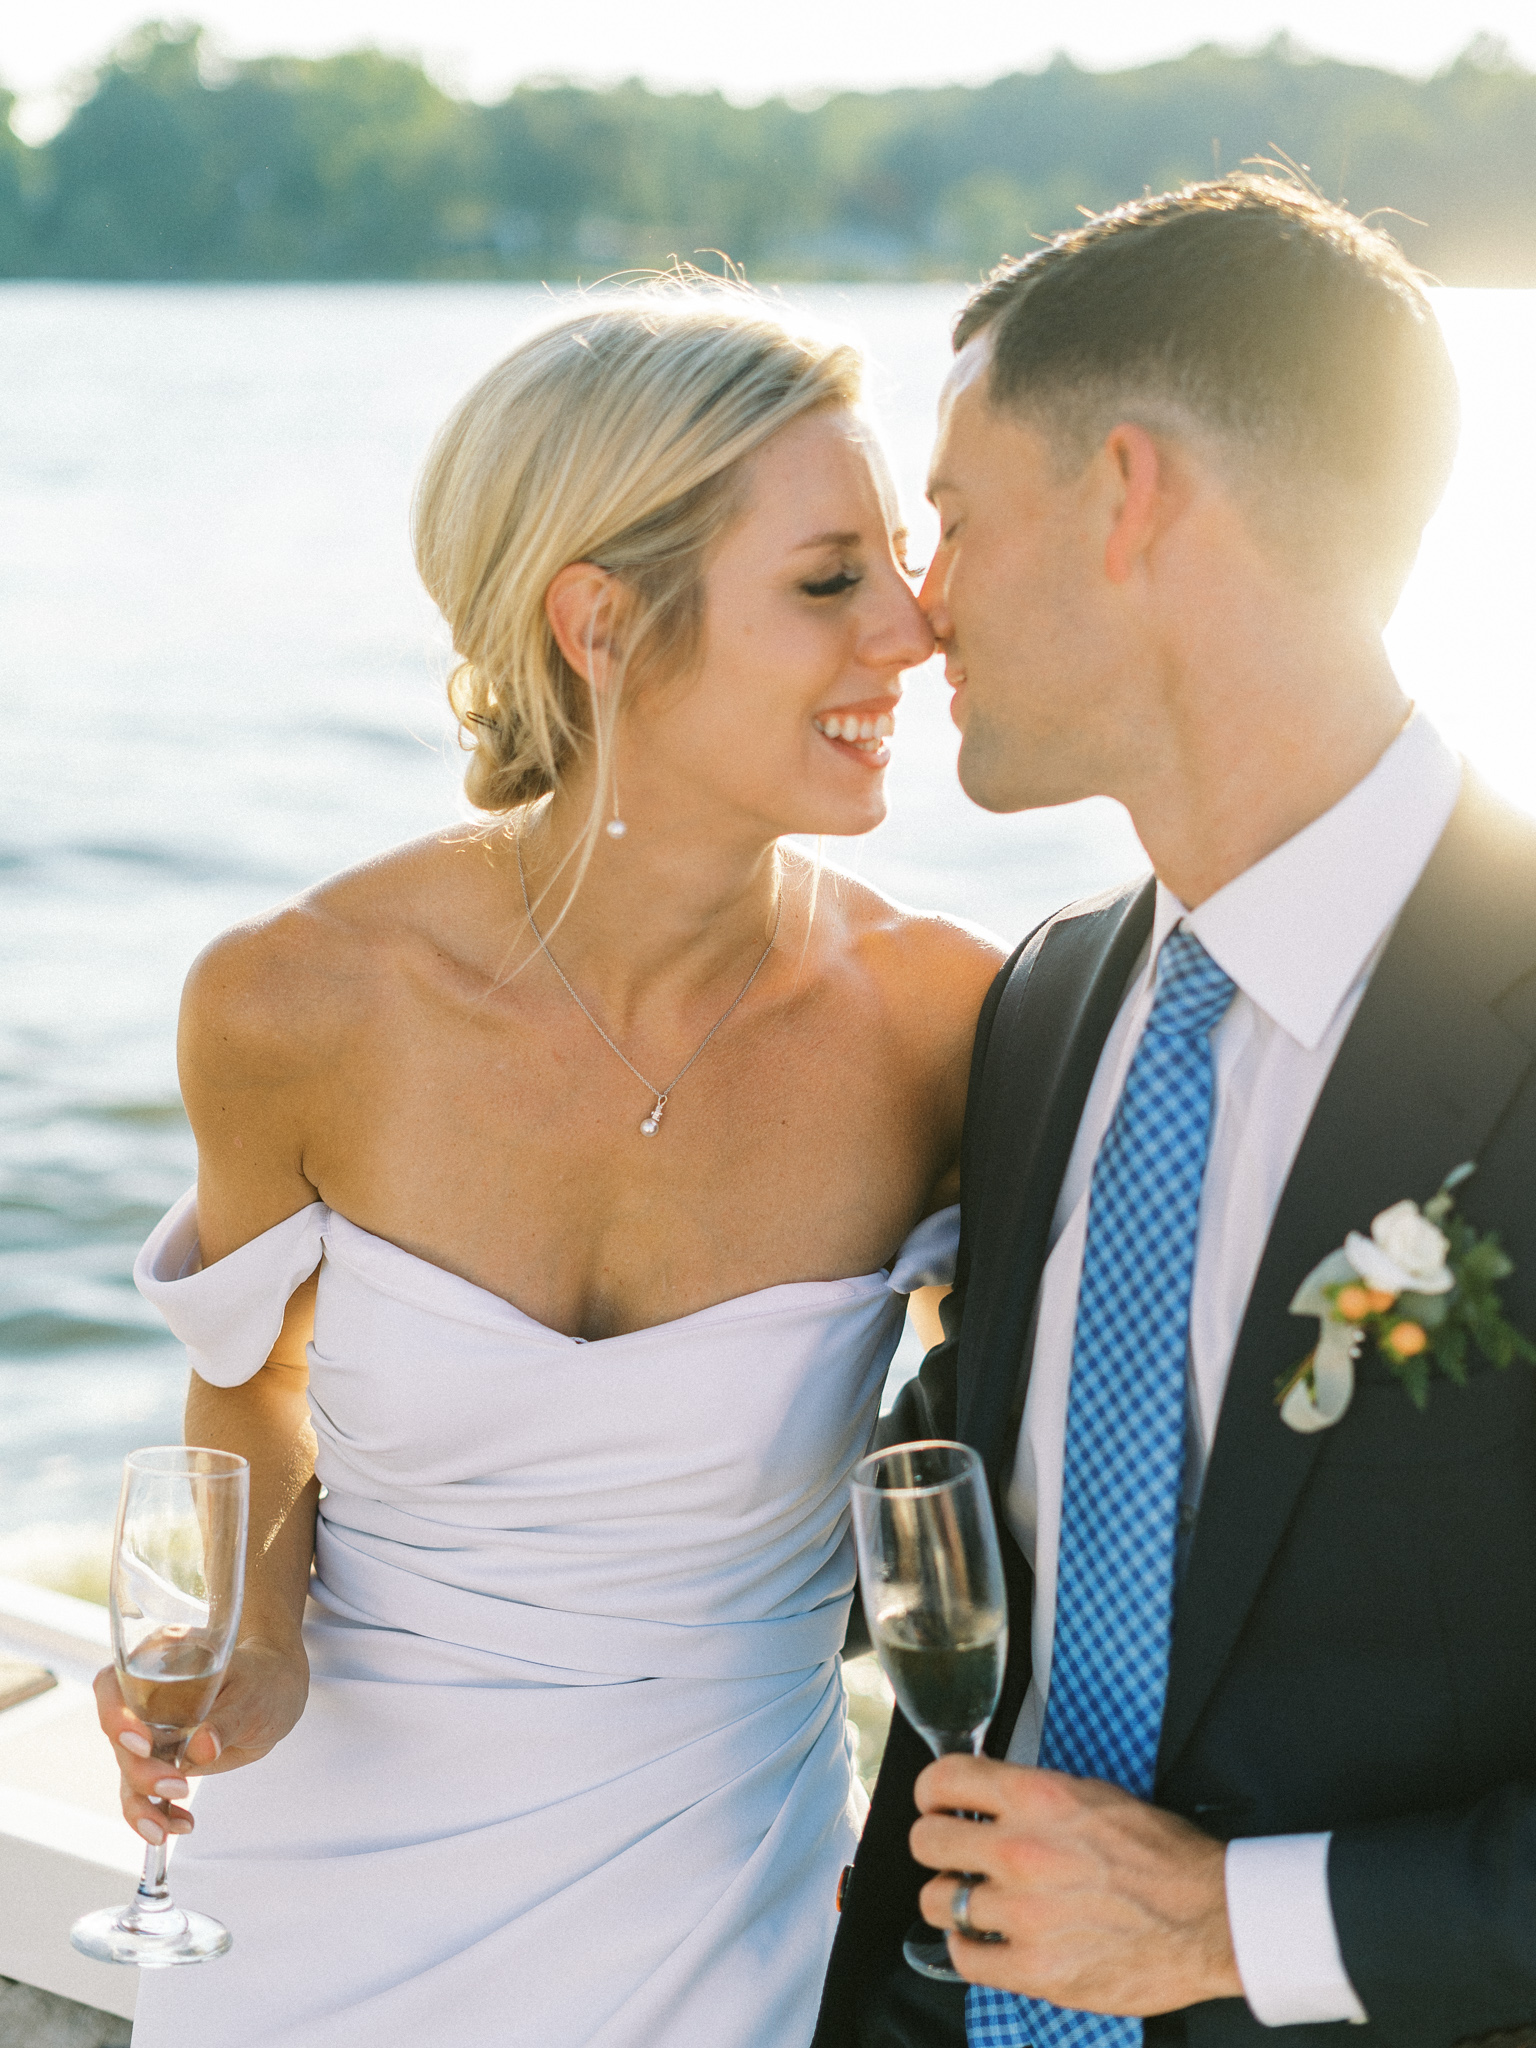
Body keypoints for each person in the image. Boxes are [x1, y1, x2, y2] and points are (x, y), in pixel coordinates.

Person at [94, 280, 1003, 2047]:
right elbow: (248, 1385)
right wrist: (256, 1643)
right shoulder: (298, 998)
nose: (913, 629)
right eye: (829, 580)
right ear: (599, 621)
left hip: (727, 1903)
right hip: (311, 1898)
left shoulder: (941, 1027)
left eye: (899, 562)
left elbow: (1015, 1468)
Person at [816, 176, 1536, 2048]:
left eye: (953, 522)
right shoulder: (1045, 1003)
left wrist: (1228, 1924)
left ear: (1129, 494)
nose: (913, 612)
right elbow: (945, 1520)